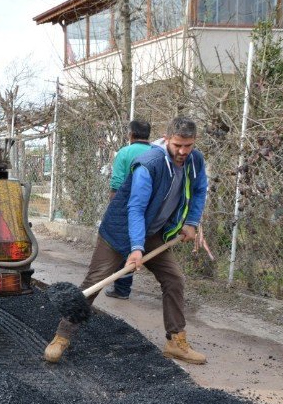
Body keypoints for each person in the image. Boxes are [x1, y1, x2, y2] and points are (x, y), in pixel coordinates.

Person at [45, 116, 208, 365]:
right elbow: (136, 208)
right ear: (166, 139)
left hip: (155, 232)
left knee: (174, 279)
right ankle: (61, 337)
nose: (183, 152)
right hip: (120, 231)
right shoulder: (149, 164)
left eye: (188, 145)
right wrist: (136, 248)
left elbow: (198, 190)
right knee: (95, 281)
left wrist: (191, 222)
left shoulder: (194, 160)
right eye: (178, 145)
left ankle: (176, 341)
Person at [105, 119, 153, 300]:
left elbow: (117, 184)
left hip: (128, 208)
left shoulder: (124, 153)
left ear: (131, 134)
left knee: (122, 247)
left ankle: (122, 289)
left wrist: (113, 210)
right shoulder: (157, 153)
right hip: (152, 209)